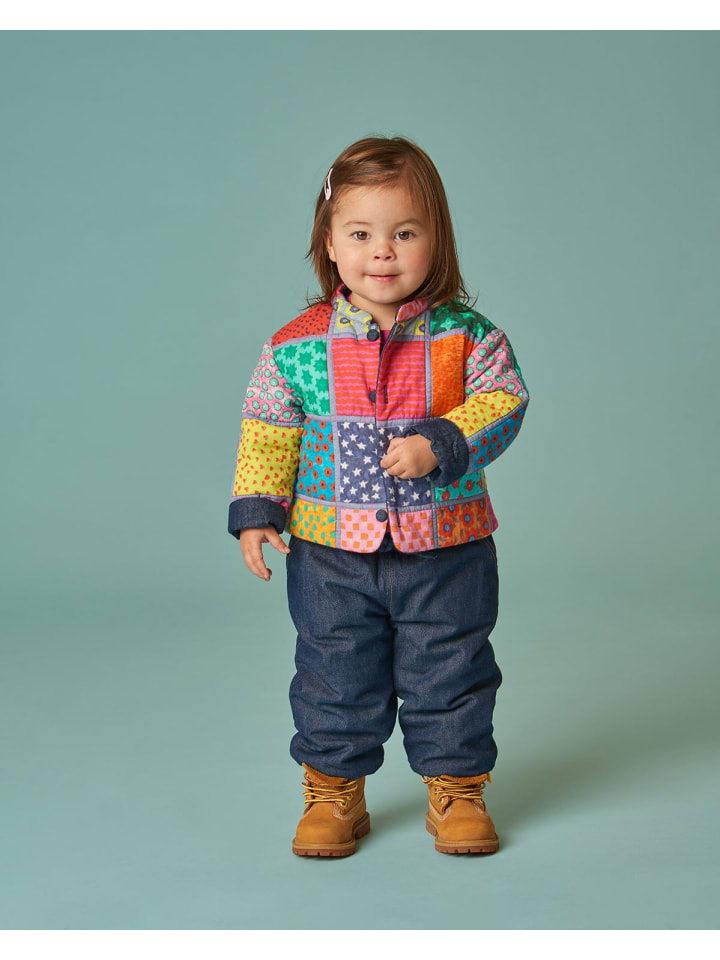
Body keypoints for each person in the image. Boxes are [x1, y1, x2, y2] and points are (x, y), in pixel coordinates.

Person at [227, 135, 530, 858]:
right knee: (333, 672)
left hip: (447, 546)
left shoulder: (468, 336)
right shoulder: (296, 345)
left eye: (406, 233)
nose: (383, 252)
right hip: (331, 551)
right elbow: (268, 427)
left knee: (452, 668)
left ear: (437, 239)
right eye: (361, 234)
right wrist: (258, 512)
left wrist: (444, 442)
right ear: (329, 242)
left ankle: (458, 789)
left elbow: (504, 400)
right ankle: (333, 791)